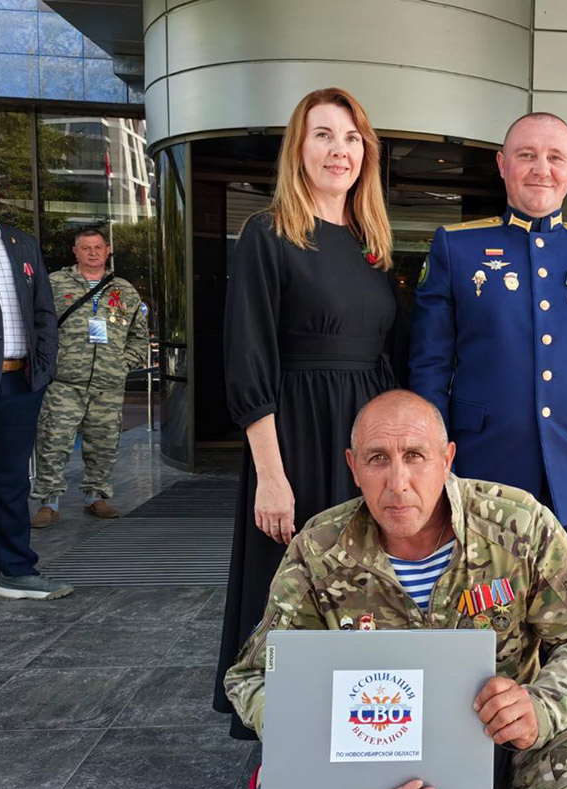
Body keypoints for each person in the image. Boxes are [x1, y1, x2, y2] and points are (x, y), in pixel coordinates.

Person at [224, 390, 567, 789]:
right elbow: (255, 675)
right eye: (377, 458)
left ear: (446, 459)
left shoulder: (518, 525)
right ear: (353, 466)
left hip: (503, 740)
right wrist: (343, 774)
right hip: (364, 748)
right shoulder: (319, 549)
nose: (397, 483)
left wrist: (540, 707)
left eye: (415, 456)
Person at [214, 88, 404, 739]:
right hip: (295, 436)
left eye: (351, 138)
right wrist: (271, 476)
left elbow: (389, 355)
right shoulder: (267, 234)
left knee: (360, 587)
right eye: (323, 135)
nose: (338, 151)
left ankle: (357, 732)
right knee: (292, 587)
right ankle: (285, 738)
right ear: (298, 148)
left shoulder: (372, 243)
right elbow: (248, 361)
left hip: (363, 439)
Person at [410, 112, 567, 610]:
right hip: (483, 473)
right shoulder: (457, 247)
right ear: (502, 165)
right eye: (527, 155)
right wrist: (430, 472)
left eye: (555, 157)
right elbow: (429, 370)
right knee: (485, 620)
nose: (542, 168)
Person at [0, 155, 71, 600]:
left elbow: (44, 312)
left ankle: (15, 572)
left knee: (11, 480)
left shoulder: (21, 244)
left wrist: (44, 367)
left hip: (19, 384)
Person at [29, 228, 148, 525]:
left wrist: (122, 365)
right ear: (76, 252)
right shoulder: (54, 283)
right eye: (86, 248)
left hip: (108, 385)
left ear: (107, 251)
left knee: (103, 444)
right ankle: (48, 502)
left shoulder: (124, 290)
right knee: (53, 442)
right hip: (64, 383)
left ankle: (96, 497)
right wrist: (47, 364)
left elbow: (139, 335)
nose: (92, 253)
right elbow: (36, 326)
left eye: (98, 247)